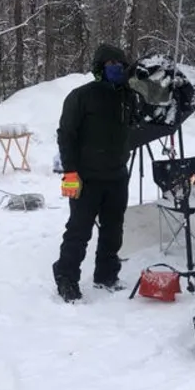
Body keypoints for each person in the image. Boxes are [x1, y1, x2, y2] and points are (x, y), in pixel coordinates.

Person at [52, 43, 136, 303]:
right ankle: (66, 278)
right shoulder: (81, 96)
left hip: (117, 176)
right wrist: (70, 172)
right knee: (79, 232)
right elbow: (66, 135)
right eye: (111, 65)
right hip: (85, 178)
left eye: (120, 65)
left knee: (114, 230)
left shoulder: (128, 96)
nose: (117, 69)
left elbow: (137, 124)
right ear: (100, 68)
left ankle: (107, 274)